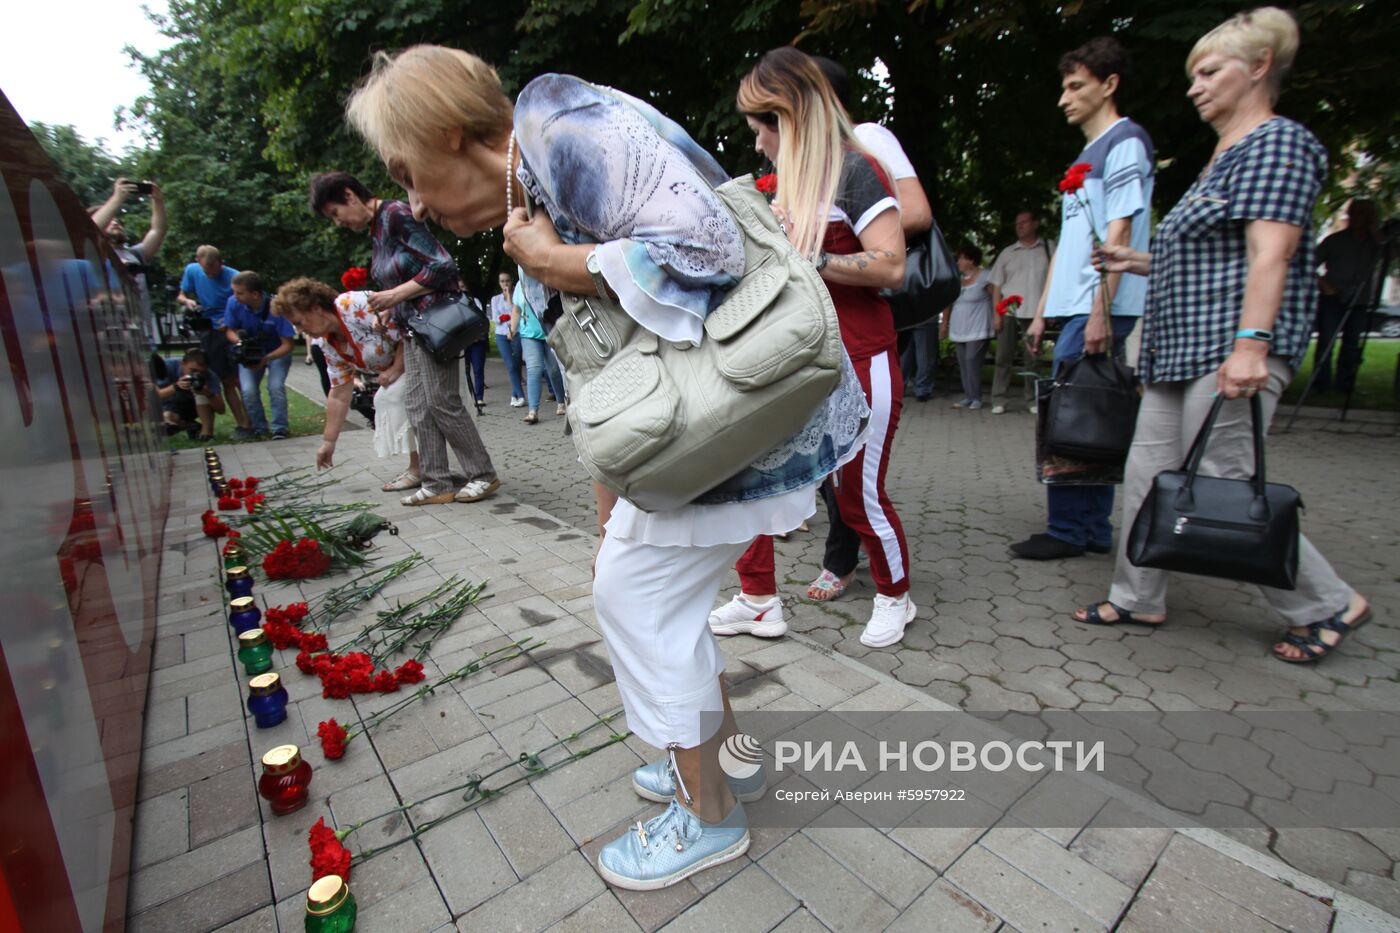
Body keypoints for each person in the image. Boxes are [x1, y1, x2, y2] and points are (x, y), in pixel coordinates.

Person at [345, 45, 866, 890]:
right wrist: (608, 491)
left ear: (448, 135)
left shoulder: (558, 127)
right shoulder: (537, 170)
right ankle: (722, 762)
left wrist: (557, 263)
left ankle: (709, 815)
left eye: (409, 174)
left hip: (733, 413)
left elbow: (706, 249)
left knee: (637, 596)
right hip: (707, 417)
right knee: (654, 595)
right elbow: (611, 361)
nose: (414, 203)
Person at [1084, 8, 1369, 664]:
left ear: (1260, 67)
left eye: (1209, 71)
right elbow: (1211, 255)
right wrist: (1135, 262)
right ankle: (1137, 594)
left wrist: (1251, 346)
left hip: (1227, 347)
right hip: (1178, 349)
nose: (1194, 86)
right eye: (1193, 74)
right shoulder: (1222, 155)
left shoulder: (1278, 143)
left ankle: (1326, 602)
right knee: (1147, 474)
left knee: (1223, 480)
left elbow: (1271, 254)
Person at [712, 48, 913, 650]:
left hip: (861, 359)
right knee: (751, 475)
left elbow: (892, 265)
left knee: (857, 493)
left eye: (760, 130)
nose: (757, 146)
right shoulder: (780, 185)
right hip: (795, 361)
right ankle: (757, 599)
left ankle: (895, 597)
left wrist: (811, 258)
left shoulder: (857, 170)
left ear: (791, 115)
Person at [1011, 36, 1155, 561]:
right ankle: (1090, 526)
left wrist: (1100, 311)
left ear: (1109, 85)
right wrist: (1043, 311)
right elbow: (1074, 244)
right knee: (1088, 411)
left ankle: (1071, 529)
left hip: (1102, 304)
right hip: (1077, 302)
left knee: (1073, 413)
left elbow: (1116, 236)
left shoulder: (1125, 143)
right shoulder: (1089, 153)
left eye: (1076, 86)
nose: (1064, 98)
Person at [309, 170, 500, 505]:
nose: (338, 223)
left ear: (350, 197)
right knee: (416, 405)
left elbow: (443, 267)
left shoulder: (395, 215)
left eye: (335, 214)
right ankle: (436, 481)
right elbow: (405, 279)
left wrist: (395, 295)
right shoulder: (377, 229)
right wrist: (391, 310)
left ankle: (482, 474)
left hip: (435, 323)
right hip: (412, 326)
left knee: (442, 401)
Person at [273, 277, 423, 484]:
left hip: (423, 351)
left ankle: (419, 469)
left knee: (390, 398)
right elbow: (339, 394)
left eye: (299, 322)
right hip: (404, 366)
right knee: (389, 397)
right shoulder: (328, 343)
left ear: (316, 308)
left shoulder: (353, 305)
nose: (300, 331)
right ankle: (424, 466)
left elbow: (406, 327)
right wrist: (329, 441)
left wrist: (396, 368)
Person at [178, 245, 255, 438]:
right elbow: (181, 295)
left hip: (230, 330)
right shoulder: (192, 271)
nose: (210, 274)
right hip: (209, 332)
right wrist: (187, 302)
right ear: (198, 262)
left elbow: (242, 306)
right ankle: (242, 423)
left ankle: (253, 421)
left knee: (240, 379)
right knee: (226, 380)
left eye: (213, 269)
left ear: (221, 262)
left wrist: (229, 324)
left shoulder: (234, 277)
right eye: (206, 270)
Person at [987, 209, 1056, 413]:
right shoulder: (1008, 252)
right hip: (1009, 313)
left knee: (1033, 358)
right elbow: (996, 285)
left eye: (1024, 223)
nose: (1020, 227)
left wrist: (1050, 311)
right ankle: (998, 399)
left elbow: (1055, 282)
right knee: (1003, 357)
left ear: (1035, 224)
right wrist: (996, 314)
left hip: (1036, 313)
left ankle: (1032, 399)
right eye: (1017, 224)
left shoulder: (1048, 249)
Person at [1314, 199, 1383, 395]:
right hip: (1332, 297)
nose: (1356, 217)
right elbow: (1309, 264)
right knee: (1326, 341)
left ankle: (1345, 385)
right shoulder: (1335, 240)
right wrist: (1324, 285)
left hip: (1359, 300)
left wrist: (1377, 233)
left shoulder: (1376, 244)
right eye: (1354, 212)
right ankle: (1320, 385)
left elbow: (1392, 255)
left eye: (1362, 213)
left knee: (1352, 345)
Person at [90, 177, 168, 343]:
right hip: (106, 336)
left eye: (117, 219)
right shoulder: (91, 255)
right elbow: (89, 231)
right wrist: (117, 198)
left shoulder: (135, 254)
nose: (116, 222)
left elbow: (158, 230)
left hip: (140, 335)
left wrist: (158, 200)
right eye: (109, 220)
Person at [223, 271, 296, 439]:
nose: (235, 296)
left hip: (276, 353)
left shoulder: (276, 308)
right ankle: (259, 427)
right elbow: (230, 330)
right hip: (248, 353)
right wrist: (240, 343)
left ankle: (280, 428)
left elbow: (288, 345)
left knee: (275, 386)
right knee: (248, 390)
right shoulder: (233, 303)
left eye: (240, 293)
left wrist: (266, 359)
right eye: (234, 292)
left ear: (255, 294)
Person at [941, 244, 995, 409]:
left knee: (972, 361)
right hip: (959, 328)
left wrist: (997, 317)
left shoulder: (985, 276)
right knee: (963, 362)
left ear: (972, 260)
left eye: (962, 258)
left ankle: (977, 397)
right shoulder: (957, 280)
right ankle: (968, 396)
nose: (959, 261)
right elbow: (947, 303)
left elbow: (996, 297)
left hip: (978, 328)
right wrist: (944, 324)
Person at [511, 279, 565, 424]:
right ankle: (533, 411)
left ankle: (561, 402)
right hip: (528, 333)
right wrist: (512, 329)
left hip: (549, 331)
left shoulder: (545, 279)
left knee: (553, 369)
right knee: (534, 369)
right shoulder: (520, 285)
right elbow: (517, 309)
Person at [152, 348, 223, 440]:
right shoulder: (168, 367)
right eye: (193, 371)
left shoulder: (210, 376)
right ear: (182, 364)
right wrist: (176, 387)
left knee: (201, 394)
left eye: (202, 372)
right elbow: (154, 395)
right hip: (168, 406)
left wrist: (208, 394)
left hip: (193, 407)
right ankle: (187, 426)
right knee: (168, 419)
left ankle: (206, 433)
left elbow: (221, 409)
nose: (196, 374)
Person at [492, 271, 526, 407]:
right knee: (511, 365)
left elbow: (517, 314)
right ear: (499, 283)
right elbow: (497, 319)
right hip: (501, 335)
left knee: (517, 366)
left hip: (516, 333)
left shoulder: (517, 297)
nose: (505, 283)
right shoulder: (495, 299)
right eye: (502, 281)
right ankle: (522, 396)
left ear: (511, 282)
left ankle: (514, 395)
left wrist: (510, 300)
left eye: (507, 281)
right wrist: (507, 315)